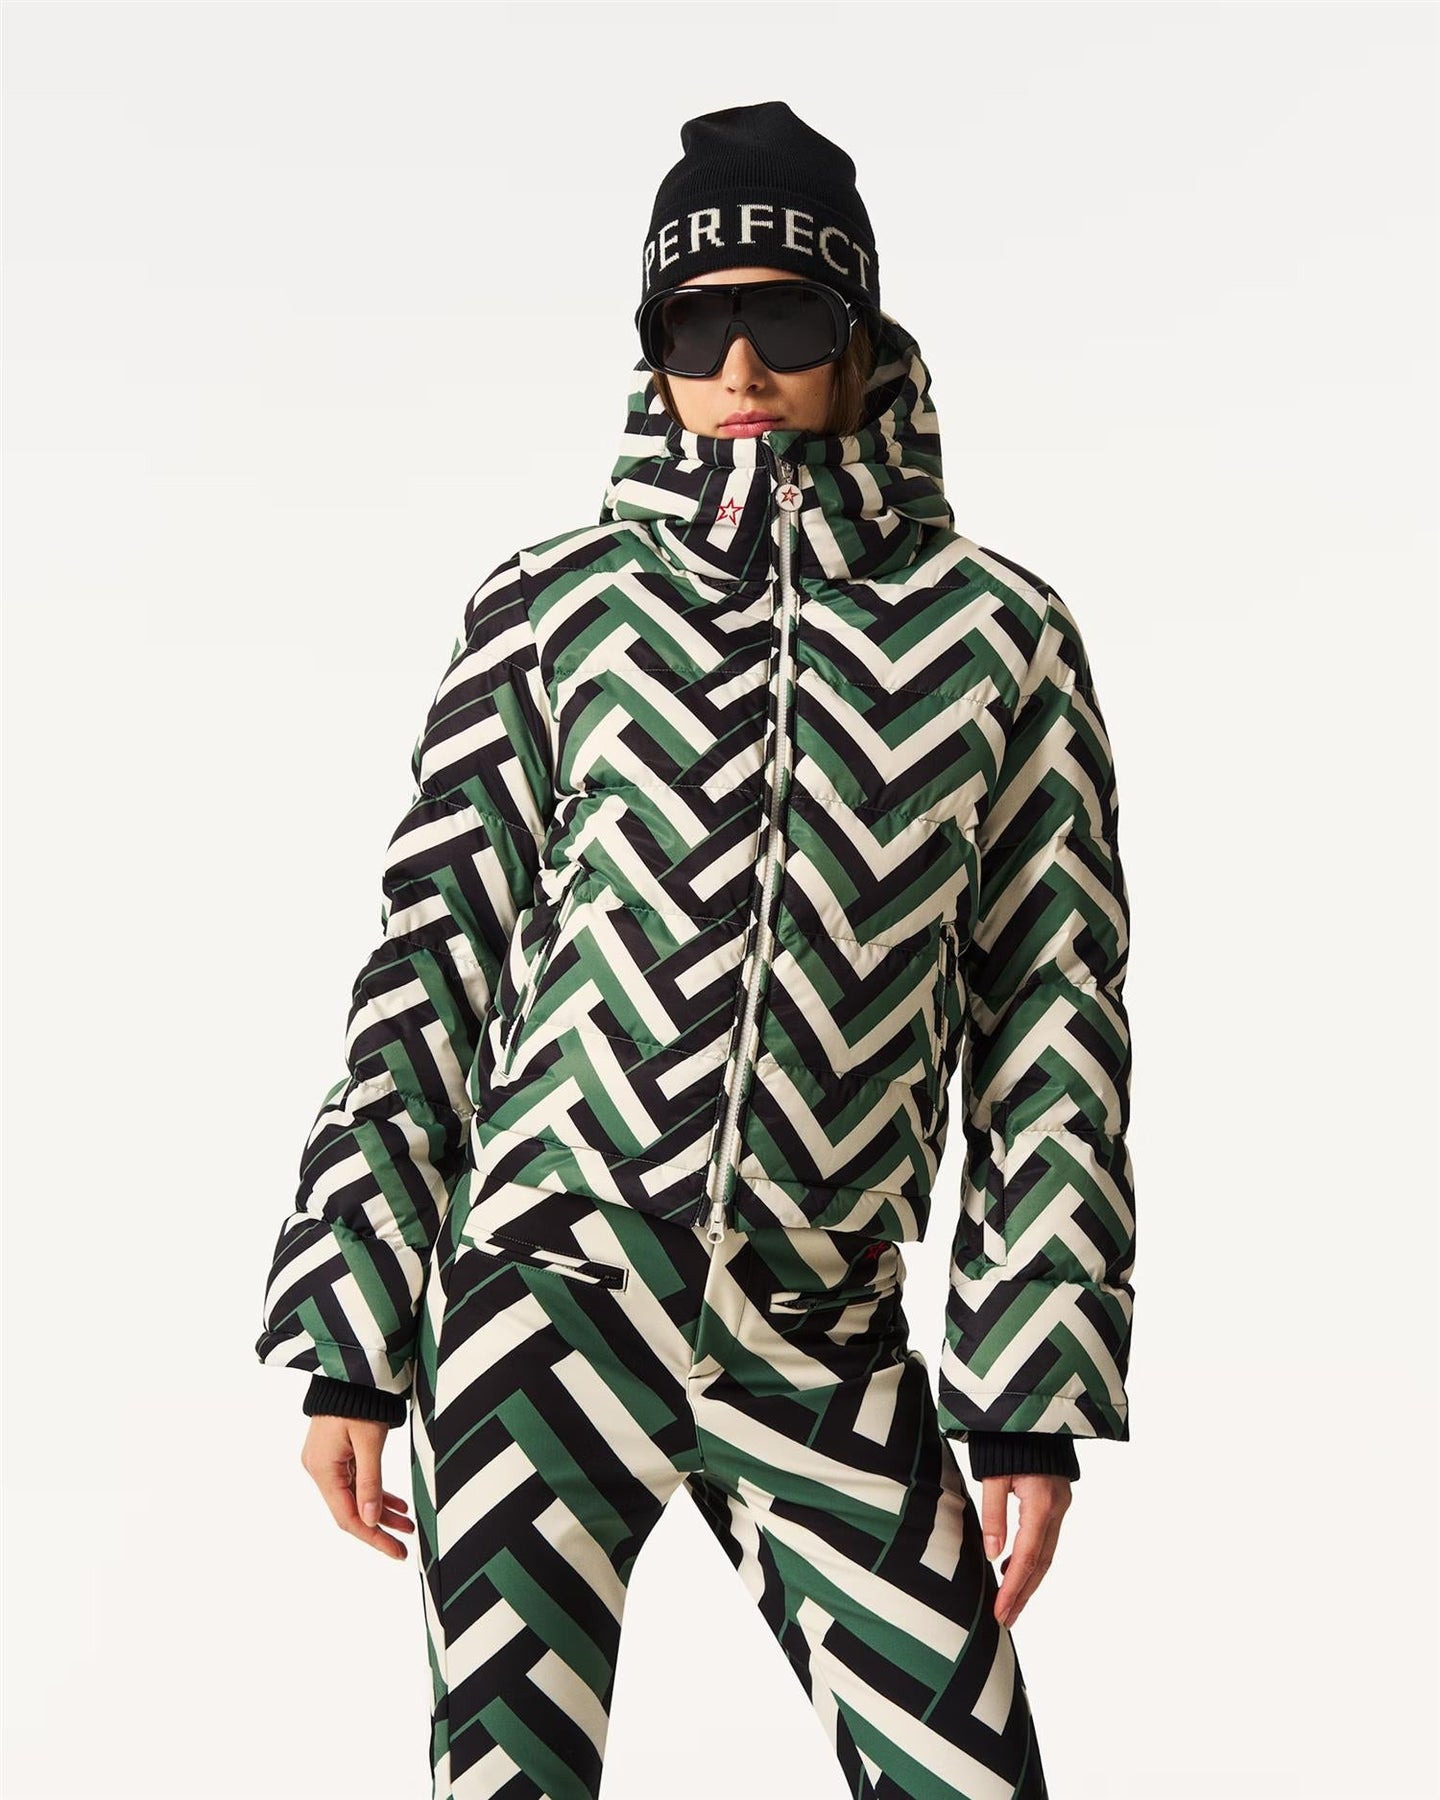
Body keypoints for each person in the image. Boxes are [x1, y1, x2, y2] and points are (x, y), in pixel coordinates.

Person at [255, 99, 1136, 1800]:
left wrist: (1029, 1394)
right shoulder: (555, 605)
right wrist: (351, 1329)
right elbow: (428, 964)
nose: (739, 366)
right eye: (692, 325)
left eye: (788, 320)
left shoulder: (1002, 637)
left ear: (859, 337)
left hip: (823, 1328)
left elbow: (1055, 1024)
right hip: (539, 1309)